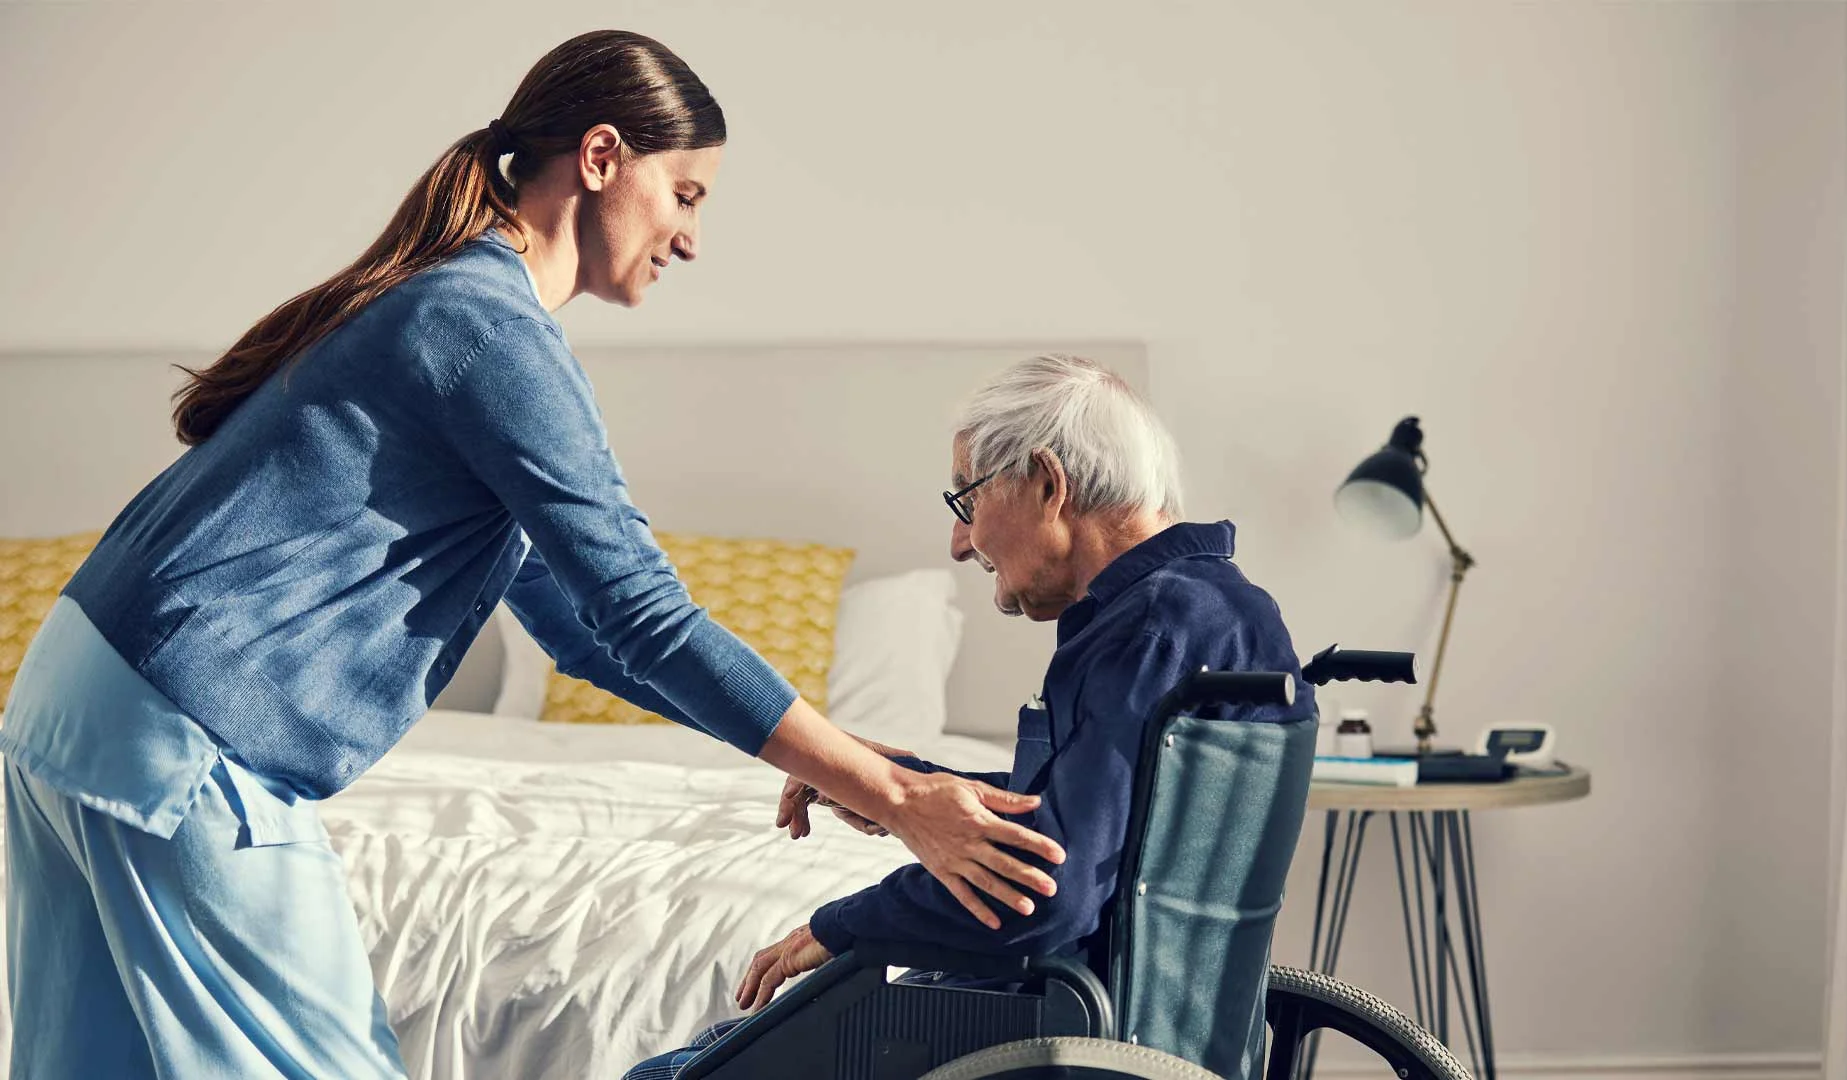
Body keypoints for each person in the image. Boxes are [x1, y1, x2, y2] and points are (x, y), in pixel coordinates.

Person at [0, 31, 1062, 1080]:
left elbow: (597, 639)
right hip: (181, 744)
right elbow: (646, 614)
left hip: (69, 709)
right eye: (686, 195)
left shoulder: (446, 307)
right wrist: (893, 795)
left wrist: (829, 754)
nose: (691, 238)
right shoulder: (487, 327)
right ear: (602, 160)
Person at [625, 354, 1316, 1079]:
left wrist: (840, 927)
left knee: (674, 1073)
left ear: (1048, 484)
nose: (960, 542)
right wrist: (894, 783)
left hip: (1047, 1031)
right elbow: (1109, 815)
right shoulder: (1219, 609)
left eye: (967, 500)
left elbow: (1045, 890)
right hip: (1107, 1016)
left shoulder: (1151, 628)